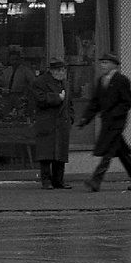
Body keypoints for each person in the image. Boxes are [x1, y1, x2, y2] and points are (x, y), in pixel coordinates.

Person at [77, 51, 131, 192]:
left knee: (108, 150)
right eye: (101, 62)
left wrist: (115, 113)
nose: (102, 65)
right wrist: (85, 118)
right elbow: (95, 103)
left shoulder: (122, 80)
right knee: (122, 153)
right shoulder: (101, 81)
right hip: (107, 122)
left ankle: (96, 180)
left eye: (105, 62)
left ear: (114, 65)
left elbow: (127, 102)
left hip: (117, 122)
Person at [30, 57, 74, 189]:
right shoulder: (39, 82)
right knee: (46, 154)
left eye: (64, 70)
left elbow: (69, 103)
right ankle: (46, 181)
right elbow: (40, 99)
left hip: (62, 122)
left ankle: (58, 180)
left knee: (60, 154)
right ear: (53, 71)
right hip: (47, 122)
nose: (63, 73)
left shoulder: (65, 83)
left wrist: (71, 117)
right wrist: (57, 98)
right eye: (60, 70)